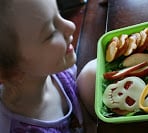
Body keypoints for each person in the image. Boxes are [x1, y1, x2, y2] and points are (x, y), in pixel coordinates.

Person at [0, 0, 97, 133]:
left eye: (59, 13)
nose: (71, 26)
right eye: (51, 33)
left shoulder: (53, 70)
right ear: (13, 71)